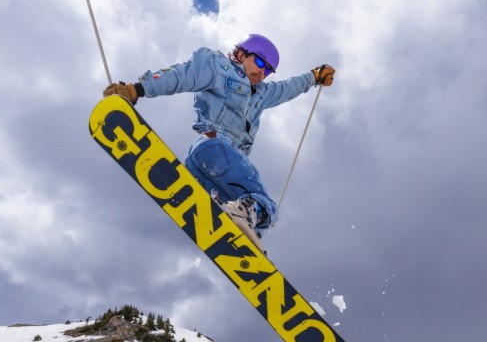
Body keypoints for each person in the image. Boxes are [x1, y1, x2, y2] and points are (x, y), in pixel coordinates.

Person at [103, 34, 334, 248]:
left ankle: (237, 230)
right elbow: (181, 76)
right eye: (261, 64)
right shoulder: (220, 68)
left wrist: (314, 76)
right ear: (242, 54)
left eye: (268, 71)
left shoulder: (261, 93)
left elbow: (287, 88)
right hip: (216, 146)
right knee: (268, 208)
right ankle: (244, 212)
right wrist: (136, 89)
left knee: (253, 224)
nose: (262, 73)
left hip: (203, 168)